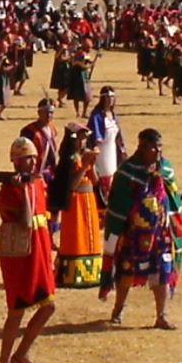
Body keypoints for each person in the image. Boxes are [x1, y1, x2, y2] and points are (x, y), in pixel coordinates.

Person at [100, 128, 182, 330]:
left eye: (159, 147)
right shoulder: (128, 171)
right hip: (133, 233)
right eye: (153, 147)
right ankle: (118, 309)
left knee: (163, 270)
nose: (157, 151)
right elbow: (118, 203)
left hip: (160, 233)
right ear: (142, 147)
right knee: (126, 271)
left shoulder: (165, 168)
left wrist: (173, 224)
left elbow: (172, 199)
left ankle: (161, 315)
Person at [0, 137, 55, 363]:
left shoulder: (38, 183)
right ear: (15, 161)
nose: (31, 162)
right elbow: (26, 221)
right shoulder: (8, 190)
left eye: (32, 157)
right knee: (16, 310)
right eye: (25, 158)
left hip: (39, 252)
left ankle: (22, 353)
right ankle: (3, 362)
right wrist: (21, 190)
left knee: (49, 305)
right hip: (20, 256)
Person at [49, 123, 101, 289]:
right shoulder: (69, 159)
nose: (83, 141)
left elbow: (95, 181)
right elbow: (71, 185)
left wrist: (91, 165)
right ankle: (73, 274)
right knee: (76, 234)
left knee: (90, 234)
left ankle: (91, 273)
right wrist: (84, 166)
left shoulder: (85, 155)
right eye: (80, 138)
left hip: (89, 199)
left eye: (84, 138)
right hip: (76, 202)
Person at [87, 86, 126, 209]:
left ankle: (110, 205)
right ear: (102, 99)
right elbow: (94, 136)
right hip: (101, 152)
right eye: (108, 97)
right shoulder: (96, 116)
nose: (110, 100)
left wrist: (123, 150)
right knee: (104, 176)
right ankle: (102, 206)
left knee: (113, 174)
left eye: (112, 97)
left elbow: (118, 135)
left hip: (112, 151)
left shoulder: (113, 115)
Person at [19, 98, 58, 182]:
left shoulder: (53, 129)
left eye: (51, 112)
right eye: (46, 112)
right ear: (39, 113)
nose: (49, 115)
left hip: (50, 174)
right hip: (35, 174)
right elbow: (24, 156)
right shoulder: (29, 131)